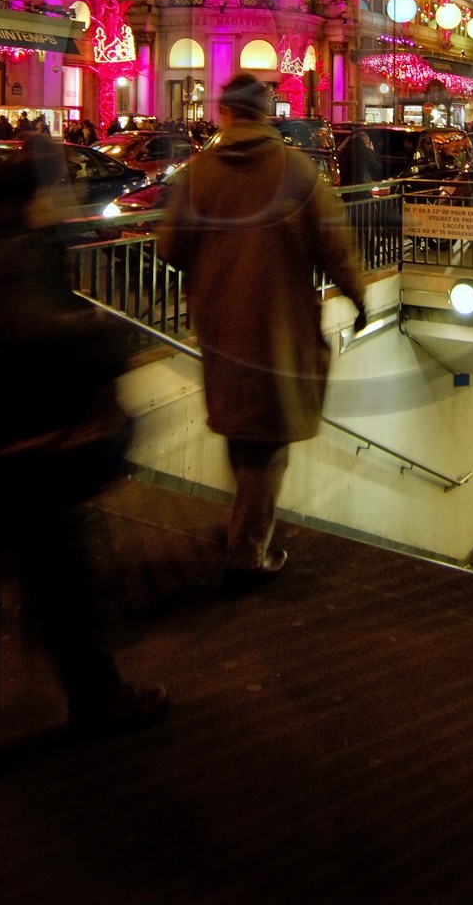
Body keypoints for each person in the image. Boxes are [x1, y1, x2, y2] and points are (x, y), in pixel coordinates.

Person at [0, 134, 168, 733]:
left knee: (16, 556)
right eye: (64, 186)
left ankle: (90, 685)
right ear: (43, 192)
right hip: (7, 445)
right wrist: (101, 340)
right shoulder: (15, 248)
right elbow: (23, 332)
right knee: (64, 564)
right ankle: (97, 695)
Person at [157, 71, 367, 595]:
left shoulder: (199, 173)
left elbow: (169, 247)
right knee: (268, 441)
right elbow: (335, 246)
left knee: (240, 429)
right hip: (279, 326)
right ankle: (248, 553)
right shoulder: (295, 172)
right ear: (266, 114)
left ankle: (242, 534)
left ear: (226, 114)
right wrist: (359, 297)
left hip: (220, 323)